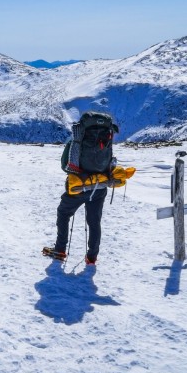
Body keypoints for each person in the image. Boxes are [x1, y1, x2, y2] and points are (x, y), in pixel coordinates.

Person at [44, 112, 119, 265]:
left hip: (79, 186)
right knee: (94, 221)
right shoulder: (105, 139)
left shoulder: (76, 142)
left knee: (64, 213)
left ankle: (60, 249)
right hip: (100, 186)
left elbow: (65, 166)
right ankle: (92, 257)